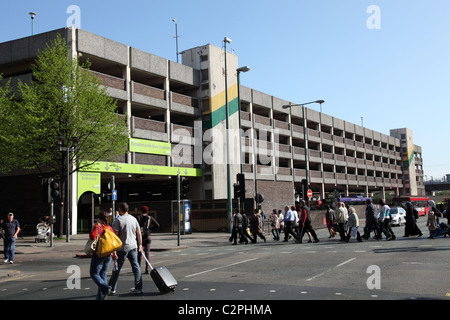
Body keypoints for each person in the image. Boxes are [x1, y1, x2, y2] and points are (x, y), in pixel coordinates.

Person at [108, 202, 144, 295]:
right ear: (127, 209)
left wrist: (113, 250)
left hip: (122, 248)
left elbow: (115, 236)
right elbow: (139, 233)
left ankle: (112, 288)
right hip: (133, 246)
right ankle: (138, 287)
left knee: (117, 268)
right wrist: (140, 245)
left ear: (120, 210)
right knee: (136, 267)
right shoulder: (133, 219)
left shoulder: (118, 220)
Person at [89, 210, 115, 300]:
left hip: (100, 253)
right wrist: (114, 253)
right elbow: (112, 241)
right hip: (109, 254)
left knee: (94, 273)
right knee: (103, 274)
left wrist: (93, 228)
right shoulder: (109, 228)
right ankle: (100, 297)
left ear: (99, 218)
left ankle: (105, 287)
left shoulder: (98, 226)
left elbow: (92, 236)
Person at [137, 206, 160, 274]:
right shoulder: (150, 218)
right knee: (147, 253)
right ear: (147, 211)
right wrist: (150, 230)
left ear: (141, 211)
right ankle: (147, 269)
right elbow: (157, 225)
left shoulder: (138, 218)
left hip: (141, 237)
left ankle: (138, 268)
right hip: (148, 236)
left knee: (140, 253)